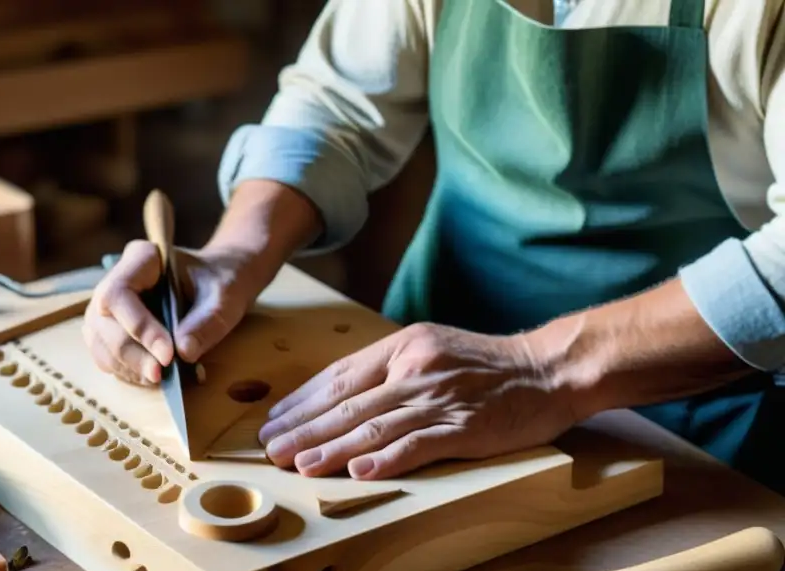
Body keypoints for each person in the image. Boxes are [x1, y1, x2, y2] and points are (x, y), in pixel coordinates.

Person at [83, 0, 785, 494]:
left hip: (693, 425)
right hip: (426, 372)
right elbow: (336, 105)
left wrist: (538, 371)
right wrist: (235, 252)